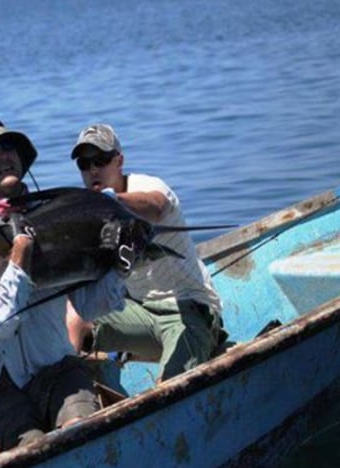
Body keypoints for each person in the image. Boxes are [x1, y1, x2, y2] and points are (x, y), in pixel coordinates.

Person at [0, 119, 125, 451]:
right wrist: (18, 261)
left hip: (56, 363)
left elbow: (89, 305)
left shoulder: (55, 217)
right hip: (1, 382)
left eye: (9, 147)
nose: (3, 155)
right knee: (32, 451)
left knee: (81, 434)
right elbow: (1, 324)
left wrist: (119, 268)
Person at [66, 124, 224, 382]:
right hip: (138, 313)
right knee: (72, 312)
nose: (94, 170)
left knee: (171, 386)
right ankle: (68, 388)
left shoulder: (148, 185)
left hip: (189, 312)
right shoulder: (90, 214)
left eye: (102, 160)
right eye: (85, 164)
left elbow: (157, 206)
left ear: (119, 160)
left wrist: (114, 201)